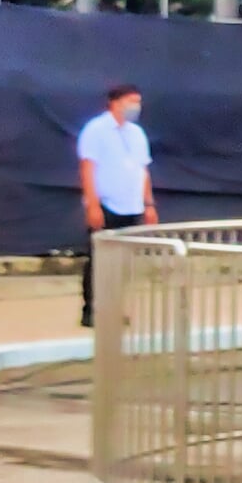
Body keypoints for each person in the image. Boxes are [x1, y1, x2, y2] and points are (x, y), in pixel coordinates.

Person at [78, 85, 155, 330]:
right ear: (114, 102)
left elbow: (143, 170)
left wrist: (148, 203)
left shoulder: (137, 134)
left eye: (138, 102)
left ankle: (114, 307)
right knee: (99, 259)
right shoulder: (96, 130)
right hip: (106, 204)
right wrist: (92, 204)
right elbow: (88, 169)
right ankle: (92, 309)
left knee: (122, 263)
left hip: (132, 205)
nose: (136, 107)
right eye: (131, 101)